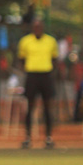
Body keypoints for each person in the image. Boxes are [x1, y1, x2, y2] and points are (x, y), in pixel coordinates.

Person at [17, 19, 59, 149]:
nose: (37, 29)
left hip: (46, 75)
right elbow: (21, 59)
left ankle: (48, 137)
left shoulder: (51, 41)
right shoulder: (25, 41)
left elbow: (55, 59)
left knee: (47, 107)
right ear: (32, 28)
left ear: (43, 27)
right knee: (30, 107)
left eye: (39, 26)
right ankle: (28, 137)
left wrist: (52, 73)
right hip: (32, 76)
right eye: (35, 27)